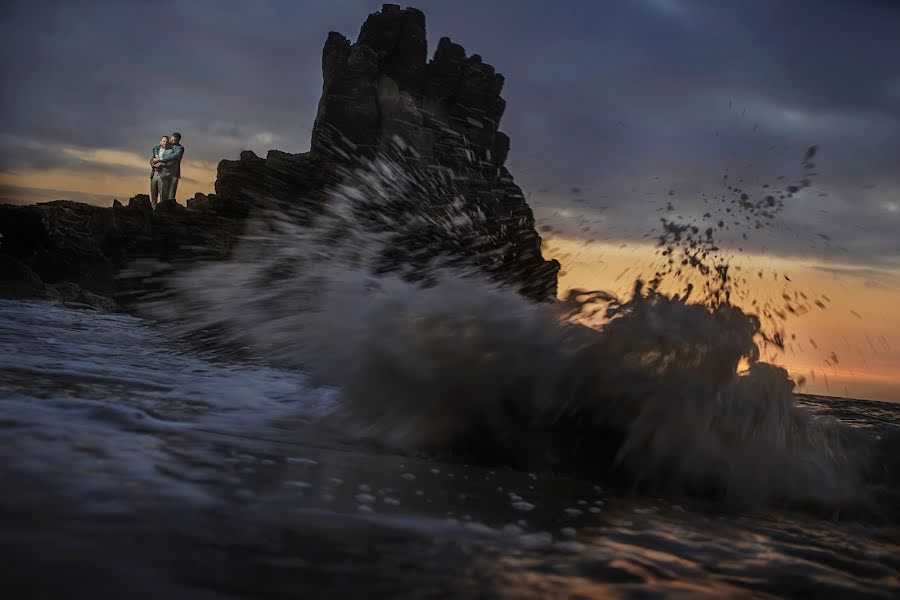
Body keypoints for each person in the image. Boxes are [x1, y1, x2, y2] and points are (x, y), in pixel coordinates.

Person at [150, 135, 174, 208]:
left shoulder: (170, 151)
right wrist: (154, 165)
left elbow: (171, 163)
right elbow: (151, 160)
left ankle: (161, 213)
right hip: (154, 175)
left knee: (163, 196)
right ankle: (153, 212)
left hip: (163, 176)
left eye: (167, 142)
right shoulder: (156, 151)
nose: (165, 143)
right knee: (153, 195)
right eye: (163, 141)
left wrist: (160, 164)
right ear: (160, 142)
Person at [159, 132, 184, 200]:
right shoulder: (166, 146)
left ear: (178, 140)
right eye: (171, 139)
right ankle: (161, 208)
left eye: (174, 140)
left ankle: (170, 209)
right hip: (164, 172)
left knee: (171, 195)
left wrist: (162, 159)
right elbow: (157, 149)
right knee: (163, 194)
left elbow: (175, 155)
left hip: (174, 172)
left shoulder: (180, 148)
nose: (172, 141)